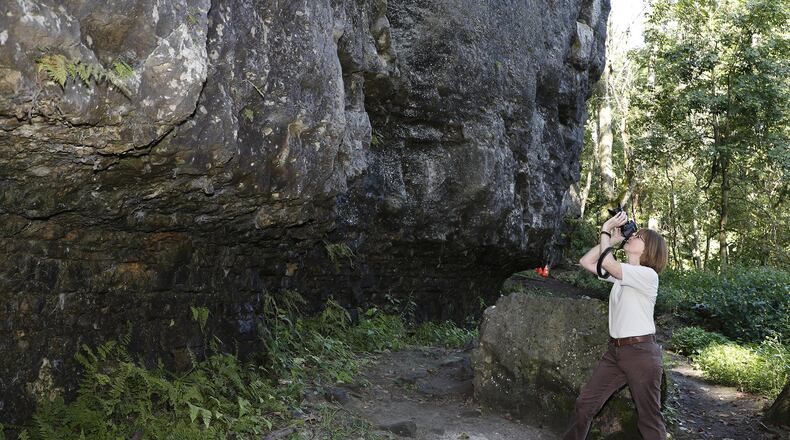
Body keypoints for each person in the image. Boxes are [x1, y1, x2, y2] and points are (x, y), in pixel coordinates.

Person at [563, 211, 669, 440]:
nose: (632, 236)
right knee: (585, 405)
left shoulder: (648, 275)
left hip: (641, 354)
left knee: (649, 420)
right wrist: (611, 240)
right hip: (616, 352)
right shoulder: (622, 275)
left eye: (639, 236)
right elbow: (587, 262)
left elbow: (608, 262)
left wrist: (605, 228)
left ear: (649, 249)